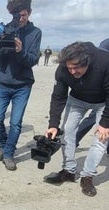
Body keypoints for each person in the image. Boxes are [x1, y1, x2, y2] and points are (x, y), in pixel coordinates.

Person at [43, 41, 109, 197]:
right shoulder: (63, 69)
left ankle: (87, 176)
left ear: (87, 61)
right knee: (67, 133)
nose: (72, 71)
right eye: (69, 67)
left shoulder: (104, 62)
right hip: (77, 100)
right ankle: (69, 171)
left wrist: (105, 123)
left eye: (76, 67)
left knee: (101, 139)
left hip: (102, 102)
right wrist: (53, 124)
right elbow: (58, 97)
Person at [0, 0, 41, 171]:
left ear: (29, 12)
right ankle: (4, 145)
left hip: (22, 85)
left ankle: (8, 153)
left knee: (15, 122)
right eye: (17, 15)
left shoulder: (35, 33)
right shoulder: (5, 29)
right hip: (3, 82)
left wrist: (20, 51)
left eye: (23, 15)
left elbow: (33, 60)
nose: (20, 19)